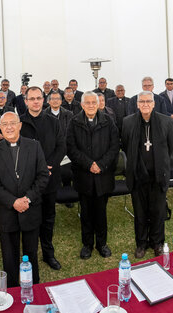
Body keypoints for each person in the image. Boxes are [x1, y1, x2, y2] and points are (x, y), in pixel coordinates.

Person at [0, 111, 49, 286]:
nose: (9, 127)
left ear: (20, 125)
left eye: (12, 123)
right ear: (0, 128)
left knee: (31, 254)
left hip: (31, 209)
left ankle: (34, 287)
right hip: (7, 212)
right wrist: (13, 201)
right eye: (4, 125)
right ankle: (13, 289)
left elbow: (43, 176)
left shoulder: (34, 146)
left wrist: (27, 199)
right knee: (9, 256)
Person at [122, 91, 173, 258]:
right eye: (142, 101)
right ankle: (141, 243)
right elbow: (125, 145)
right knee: (140, 212)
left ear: (153, 104)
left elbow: (171, 146)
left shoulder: (165, 121)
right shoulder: (128, 122)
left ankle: (157, 242)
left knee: (158, 211)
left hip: (158, 176)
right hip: (138, 176)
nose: (145, 104)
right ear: (137, 104)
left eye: (148, 101)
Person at [67, 91, 119, 259]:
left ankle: (102, 244)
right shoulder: (74, 122)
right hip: (84, 175)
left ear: (98, 104)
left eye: (93, 103)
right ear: (82, 105)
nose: (90, 105)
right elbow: (71, 148)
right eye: (87, 103)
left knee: (101, 212)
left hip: (103, 175)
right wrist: (89, 164)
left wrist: (101, 164)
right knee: (87, 213)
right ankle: (87, 244)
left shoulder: (108, 121)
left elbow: (114, 146)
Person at [20, 88, 66, 270]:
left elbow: (61, 146)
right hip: (27, 181)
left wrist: (49, 166)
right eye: (32, 99)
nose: (36, 102)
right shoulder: (20, 123)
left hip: (50, 178)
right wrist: (35, 169)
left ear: (43, 100)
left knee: (48, 219)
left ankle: (48, 254)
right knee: (29, 220)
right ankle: (28, 257)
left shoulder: (53, 122)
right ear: (26, 101)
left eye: (39, 98)